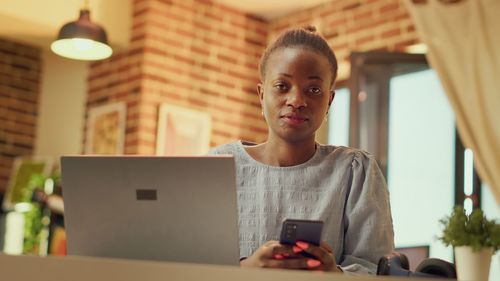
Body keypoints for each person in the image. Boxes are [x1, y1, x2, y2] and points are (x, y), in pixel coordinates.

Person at [209, 26, 394, 274]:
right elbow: (184, 267)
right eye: (282, 86)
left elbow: (377, 270)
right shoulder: (218, 166)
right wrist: (245, 270)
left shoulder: (355, 171)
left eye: (314, 90)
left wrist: (335, 274)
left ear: (329, 100)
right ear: (261, 95)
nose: (296, 100)